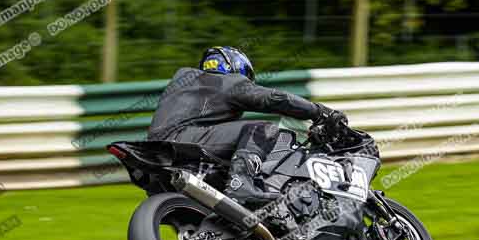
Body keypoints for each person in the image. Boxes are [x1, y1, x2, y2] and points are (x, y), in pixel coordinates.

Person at [147, 46, 346, 205]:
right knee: (263, 129)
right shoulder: (228, 81)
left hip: (156, 156)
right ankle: (240, 183)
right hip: (184, 141)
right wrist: (319, 111)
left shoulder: (185, 81)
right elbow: (274, 98)